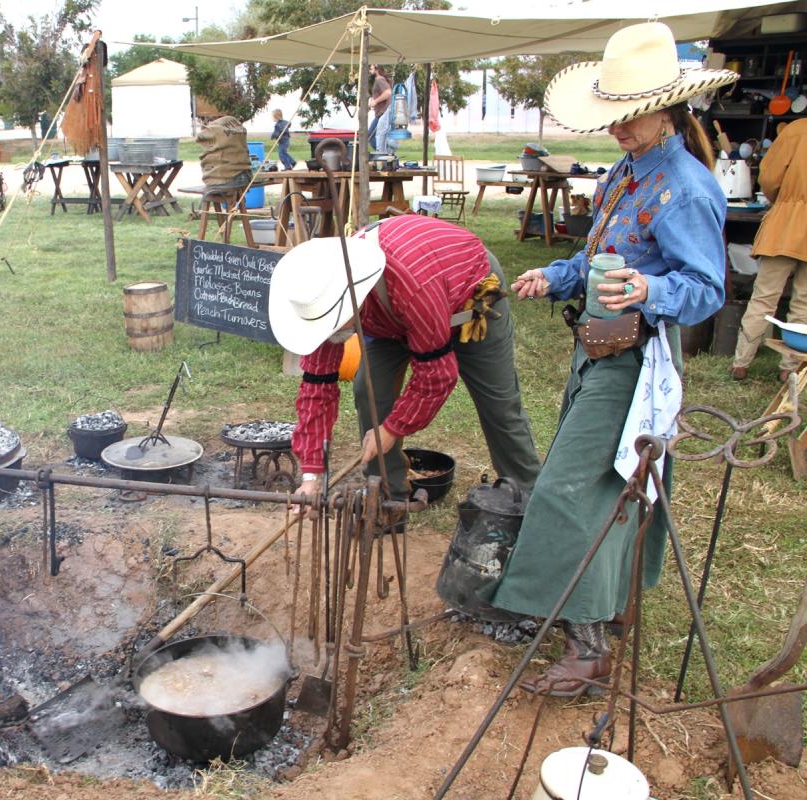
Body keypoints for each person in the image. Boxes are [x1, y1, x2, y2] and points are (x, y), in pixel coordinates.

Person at [492, 22, 736, 696]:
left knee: (574, 488)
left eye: (632, 119)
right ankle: (612, 606)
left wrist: (652, 289)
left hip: (637, 363)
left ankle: (590, 647)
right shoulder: (626, 174)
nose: (620, 131)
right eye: (616, 119)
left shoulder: (685, 188)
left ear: (670, 109)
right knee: (616, 486)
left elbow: (707, 289)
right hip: (596, 352)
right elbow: (599, 258)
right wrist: (559, 275)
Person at [268, 214, 542, 511]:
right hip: (390, 314)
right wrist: (313, 474)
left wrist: (393, 428)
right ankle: (387, 500)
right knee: (370, 391)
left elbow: (436, 377)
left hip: (467, 295)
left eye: (334, 325)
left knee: (499, 404)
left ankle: (528, 500)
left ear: (352, 301)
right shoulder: (322, 296)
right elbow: (317, 390)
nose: (329, 334)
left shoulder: (411, 287)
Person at [730, 117, 807, 383]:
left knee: (764, 297)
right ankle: (791, 369)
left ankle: (741, 363)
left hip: (786, 224)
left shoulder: (796, 130)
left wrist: (783, 201)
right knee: (804, 302)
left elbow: (770, 177)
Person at [368, 65, 393, 154]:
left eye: (371, 68)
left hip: (382, 114)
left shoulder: (379, 79)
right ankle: (385, 154)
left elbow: (388, 93)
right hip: (381, 113)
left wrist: (376, 101)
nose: (369, 70)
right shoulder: (379, 80)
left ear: (377, 69)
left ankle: (383, 154)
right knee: (380, 137)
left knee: (370, 136)